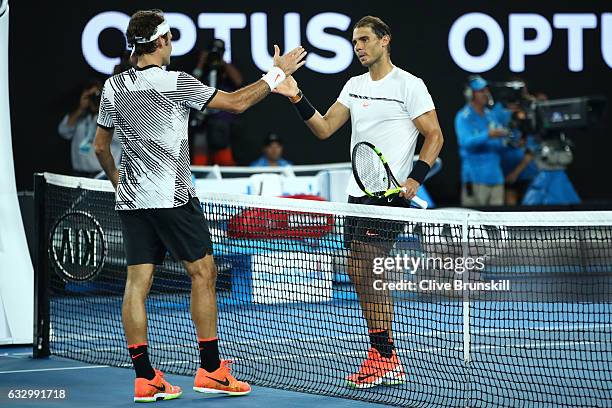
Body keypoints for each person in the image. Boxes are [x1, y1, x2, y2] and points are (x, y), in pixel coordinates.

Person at [93, 9, 306, 402]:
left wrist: (119, 183)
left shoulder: (112, 87)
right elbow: (238, 103)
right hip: (173, 199)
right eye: (170, 37)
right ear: (159, 42)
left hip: (132, 201)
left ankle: (145, 378)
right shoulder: (176, 82)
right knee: (203, 274)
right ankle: (211, 370)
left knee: (136, 285)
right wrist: (276, 74)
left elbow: (100, 147)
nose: (172, 44)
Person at [273, 16, 443, 388]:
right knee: (358, 270)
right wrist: (296, 96)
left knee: (369, 263)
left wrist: (417, 178)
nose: (359, 47)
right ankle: (383, 353)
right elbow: (324, 129)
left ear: (385, 40)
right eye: (354, 42)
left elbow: (434, 136)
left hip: (390, 195)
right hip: (357, 194)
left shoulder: (409, 85)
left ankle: (384, 356)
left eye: (365, 40)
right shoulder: (353, 85)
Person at [455, 76, 506, 207]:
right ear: (470, 94)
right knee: (473, 223)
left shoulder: (491, 115)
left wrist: (506, 140)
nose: (485, 93)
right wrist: (488, 135)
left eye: (486, 90)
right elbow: (466, 143)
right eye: (481, 91)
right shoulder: (463, 117)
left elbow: (499, 145)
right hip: (475, 179)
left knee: (497, 224)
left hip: (496, 178)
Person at [190, 39, 244, 165]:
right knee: (200, 146)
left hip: (221, 116)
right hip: (201, 114)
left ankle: (225, 175)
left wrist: (222, 62)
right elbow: (190, 84)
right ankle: (200, 173)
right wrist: (202, 62)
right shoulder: (201, 65)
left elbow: (239, 81)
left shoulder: (225, 67)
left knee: (222, 145)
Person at [58, 80, 121, 177]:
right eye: (91, 96)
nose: (94, 99)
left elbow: (120, 139)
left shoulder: (113, 117)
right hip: (79, 174)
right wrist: (80, 109)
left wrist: (105, 108)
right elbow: (63, 131)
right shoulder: (79, 117)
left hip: (103, 174)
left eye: (97, 95)